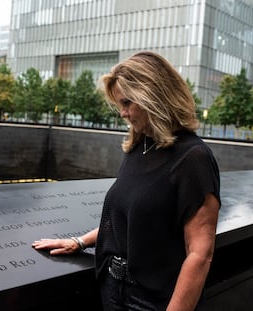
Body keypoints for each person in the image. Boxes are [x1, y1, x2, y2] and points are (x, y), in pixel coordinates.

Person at [32, 51, 221, 311]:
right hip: (112, 289)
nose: (122, 113)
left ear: (154, 97)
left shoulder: (193, 158)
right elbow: (129, 221)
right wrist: (79, 242)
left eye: (127, 103)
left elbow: (200, 255)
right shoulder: (140, 147)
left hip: (152, 301)